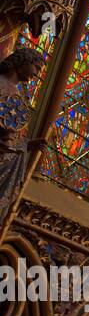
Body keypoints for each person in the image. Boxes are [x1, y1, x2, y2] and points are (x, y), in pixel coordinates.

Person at [0, 48, 45, 221]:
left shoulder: (16, 92)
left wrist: (27, 145)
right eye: (36, 68)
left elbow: (9, 134)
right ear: (24, 62)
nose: (37, 73)